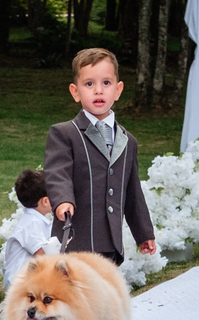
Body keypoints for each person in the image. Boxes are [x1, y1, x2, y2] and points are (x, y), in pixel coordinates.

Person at [45, 48, 156, 264]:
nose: (98, 91)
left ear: (118, 89)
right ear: (75, 92)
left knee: (103, 293)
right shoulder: (65, 133)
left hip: (110, 242)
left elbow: (132, 190)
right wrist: (62, 200)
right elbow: (57, 173)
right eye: (89, 84)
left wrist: (144, 233)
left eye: (106, 83)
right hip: (76, 239)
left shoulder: (128, 140)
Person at [0, 169, 57, 320]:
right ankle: (8, 311)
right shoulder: (31, 225)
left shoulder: (38, 221)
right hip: (19, 282)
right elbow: (45, 257)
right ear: (45, 201)